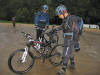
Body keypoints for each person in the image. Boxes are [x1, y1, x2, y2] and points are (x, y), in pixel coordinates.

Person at [54, 5, 84, 75]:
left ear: (63, 12)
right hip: (68, 38)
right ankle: (72, 63)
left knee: (66, 53)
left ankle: (63, 69)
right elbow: (63, 26)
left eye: (59, 14)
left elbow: (76, 31)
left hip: (72, 38)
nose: (58, 16)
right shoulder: (66, 19)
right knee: (70, 50)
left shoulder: (71, 19)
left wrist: (76, 44)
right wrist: (55, 29)